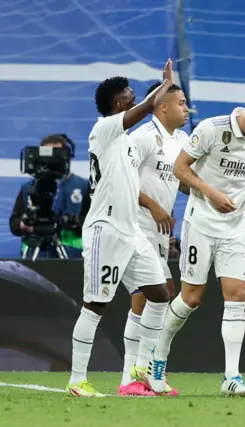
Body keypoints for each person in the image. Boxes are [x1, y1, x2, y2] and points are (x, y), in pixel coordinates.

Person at [147, 94, 245, 397]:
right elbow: (180, 168)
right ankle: (157, 357)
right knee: (191, 298)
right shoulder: (211, 129)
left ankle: (232, 377)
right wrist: (211, 193)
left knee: (237, 296)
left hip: (234, 229)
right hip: (201, 223)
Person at [66, 60, 175, 397]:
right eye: (129, 93)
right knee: (95, 305)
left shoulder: (125, 141)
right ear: (119, 103)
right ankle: (77, 380)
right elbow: (144, 109)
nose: (134, 96)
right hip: (106, 230)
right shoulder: (103, 129)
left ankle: (141, 364)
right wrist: (165, 85)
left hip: (131, 232)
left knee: (160, 295)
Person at [118, 82, 190, 396]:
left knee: (158, 294)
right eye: (182, 103)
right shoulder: (143, 136)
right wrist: (154, 206)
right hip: (135, 227)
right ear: (163, 106)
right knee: (151, 294)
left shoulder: (184, 140)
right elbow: (121, 181)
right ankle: (133, 376)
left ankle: (140, 375)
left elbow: (184, 181)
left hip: (160, 232)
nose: (187, 109)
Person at [10, 134, 90, 259]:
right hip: (35, 251)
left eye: (55, 155)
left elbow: (95, 222)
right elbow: (14, 222)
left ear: (67, 157)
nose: (50, 161)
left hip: (73, 254)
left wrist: (74, 222)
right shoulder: (28, 188)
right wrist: (23, 225)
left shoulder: (83, 186)